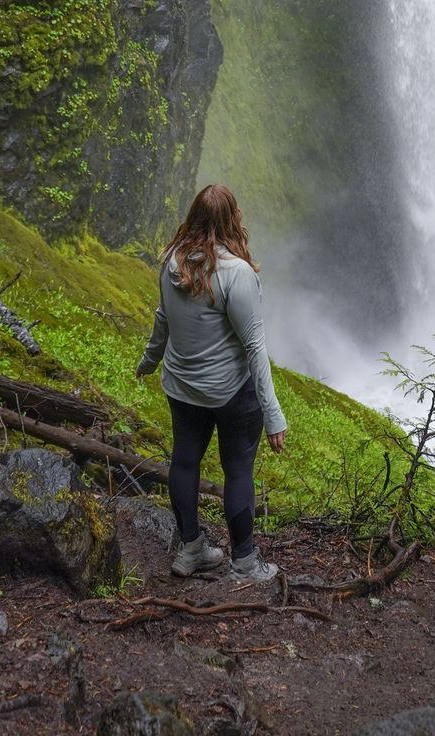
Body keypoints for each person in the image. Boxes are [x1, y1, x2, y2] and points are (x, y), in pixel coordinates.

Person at [136, 183, 287, 582]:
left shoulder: (171, 261)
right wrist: (273, 416)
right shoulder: (236, 274)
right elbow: (254, 347)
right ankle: (244, 563)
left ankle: (191, 550)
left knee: (184, 460)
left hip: (183, 388)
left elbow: (162, 320)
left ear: (194, 216)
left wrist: (149, 361)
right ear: (233, 219)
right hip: (231, 393)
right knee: (238, 470)